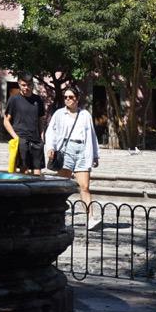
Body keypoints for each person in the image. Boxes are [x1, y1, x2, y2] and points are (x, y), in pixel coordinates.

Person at [45, 88, 100, 229]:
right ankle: (55, 216)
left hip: (83, 150)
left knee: (85, 187)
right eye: (66, 97)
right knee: (62, 185)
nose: (68, 99)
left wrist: (95, 155)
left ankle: (90, 218)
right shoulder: (59, 114)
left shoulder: (85, 114)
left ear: (77, 98)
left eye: (71, 97)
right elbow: (50, 132)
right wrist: (50, 147)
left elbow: (92, 135)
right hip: (66, 150)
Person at [3, 77, 47, 175]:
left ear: (32, 85)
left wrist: (42, 137)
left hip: (36, 139)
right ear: (19, 84)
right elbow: (6, 121)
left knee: (37, 171)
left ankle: (36, 186)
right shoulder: (14, 99)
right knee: (24, 170)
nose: (26, 87)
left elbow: (41, 120)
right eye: (23, 85)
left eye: (29, 85)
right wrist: (16, 137)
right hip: (21, 138)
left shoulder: (38, 99)